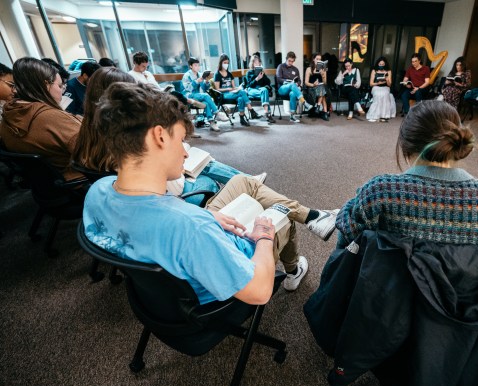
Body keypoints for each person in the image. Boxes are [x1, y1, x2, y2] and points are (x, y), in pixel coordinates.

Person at [83, 82, 340, 302]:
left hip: (175, 254)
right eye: (181, 139)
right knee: (279, 216)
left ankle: (313, 217)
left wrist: (209, 217)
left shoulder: (98, 191)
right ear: (160, 137)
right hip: (219, 282)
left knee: (242, 181)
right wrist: (263, 237)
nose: (185, 152)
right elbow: (260, 291)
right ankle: (293, 270)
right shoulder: (191, 228)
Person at [72, 67, 266, 206]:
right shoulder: (129, 139)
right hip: (167, 199)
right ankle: (248, 183)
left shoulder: (86, 131)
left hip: (131, 204)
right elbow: (170, 187)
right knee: (207, 177)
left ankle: (248, 182)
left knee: (201, 164)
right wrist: (181, 170)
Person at [336, 100, 478, 248]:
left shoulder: (381, 190)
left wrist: (351, 207)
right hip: (466, 286)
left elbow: (346, 242)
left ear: (405, 144)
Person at [0, 57, 82, 180]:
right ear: (46, 85)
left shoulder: (8, 115)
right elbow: (93, 153)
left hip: (46, 184)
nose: (62, 92)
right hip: (77, 179)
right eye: (60, 86)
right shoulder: (52, 118)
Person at [213, 54, 254, 127]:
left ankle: (242, 118)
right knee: (242, 92)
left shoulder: (229, 74)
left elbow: (233, 87)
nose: (226, 64)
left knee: (241, 98)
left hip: (232, 93)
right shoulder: (217, 74)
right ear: (221, 63)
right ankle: (251, 110)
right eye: (225, 62)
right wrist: (228, 89)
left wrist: (237, 88)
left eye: (227, 63)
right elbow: (217, 89)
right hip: (224, 95)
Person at [181, 57, 221, 132]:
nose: (198, 67)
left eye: (198, 65)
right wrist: (198, 81)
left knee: (206, 103)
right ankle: (217, 112)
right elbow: (187, 88)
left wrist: (206, 82)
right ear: (190, 66)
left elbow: (205, 88)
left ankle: (211, 122)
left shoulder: (200, 74)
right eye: (195, 65)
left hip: (198, 96)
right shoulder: (186, 76)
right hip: (189, 96)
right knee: (205, 96)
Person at [276, 51, 305, 123]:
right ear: (286, 59)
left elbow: (299, 81)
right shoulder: (280, 66)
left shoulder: (295, 69)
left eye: (292, 61)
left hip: (292, 89)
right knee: (292, 84)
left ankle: (292, 116)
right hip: (282, 89)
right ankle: (303, 101)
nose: (290, 63)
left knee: (293, 93)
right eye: (289, 61)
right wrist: (287, 81)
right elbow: (278, 79)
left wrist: (297, 84)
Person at [245, 54, 276, 123]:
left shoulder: (261, 72)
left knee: (264, 90)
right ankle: (268, 114)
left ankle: (266, 112)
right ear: (252, 63)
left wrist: (263, 76)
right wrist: (257, 79)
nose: (256, 63)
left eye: (258, 62)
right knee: (264, 92)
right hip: (251, 90)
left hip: (260, 90)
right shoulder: (249, 73)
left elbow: (268, 82)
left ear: (260, 63)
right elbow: (249, 85)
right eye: (254, 62)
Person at [366, 56, 396, 122]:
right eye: (380, 64)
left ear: (385, 64)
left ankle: (384, 115)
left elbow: (389, 85)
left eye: (383, 64)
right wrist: (378, 83)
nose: (381, 65)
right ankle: (375, 114)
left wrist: (387, 79)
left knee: (385, 94)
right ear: (378, 64)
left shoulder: (388, 71)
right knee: (378, 95)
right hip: (376, 87)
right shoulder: (374, 71)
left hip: (385, 87)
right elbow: (371, 83)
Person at [305, 53, 330, 121]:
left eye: (320, 59)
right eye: (317, 59)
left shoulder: (323, 69)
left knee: (321, 86)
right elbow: (306, 82)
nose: (319, 60)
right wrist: (313, 85)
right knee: (323, 93)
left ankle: (318, 107)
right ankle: (324, 112)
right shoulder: (309, 69)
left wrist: (323, 75)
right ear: (313, 59)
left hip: (320, 87)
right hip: (312, 87)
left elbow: (325, 82)